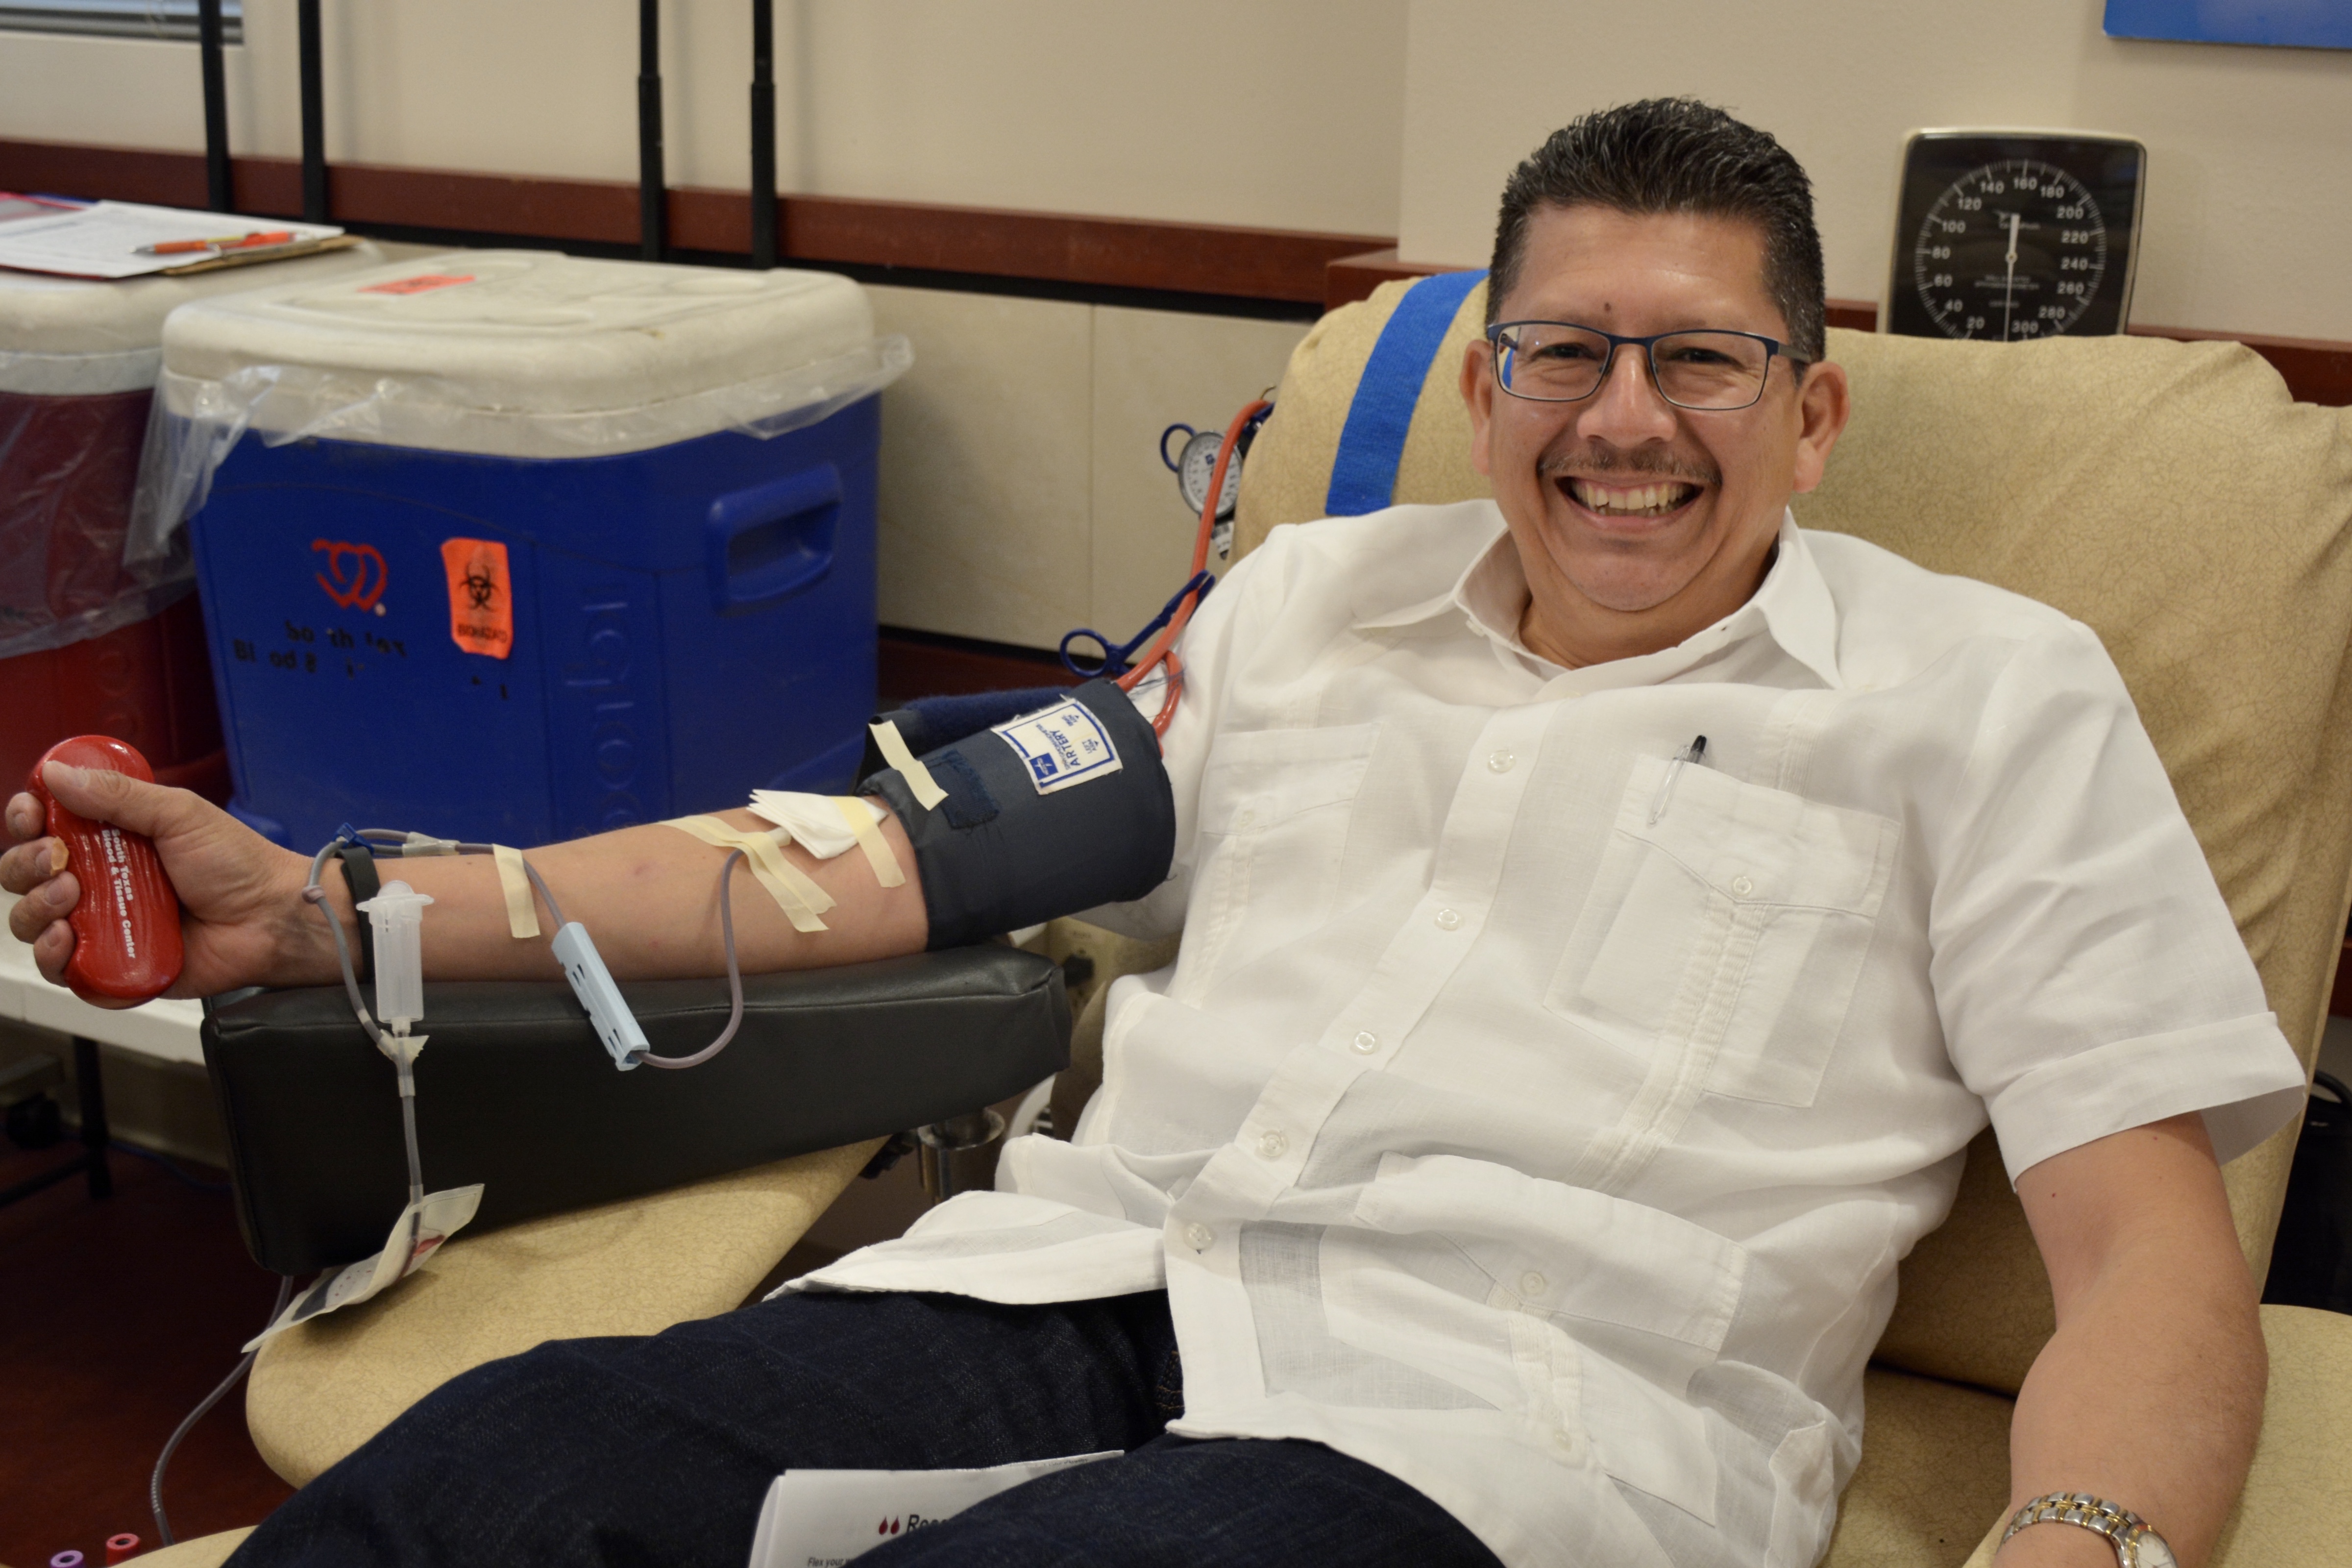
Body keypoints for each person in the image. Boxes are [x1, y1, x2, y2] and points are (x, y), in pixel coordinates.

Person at [2, 99, 2307, 1568]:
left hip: (1510, 1423)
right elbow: (872, 860)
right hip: (1086, 1284)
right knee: (502, 1473)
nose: (1625, 418)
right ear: (1486, 385)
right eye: (1560, 352)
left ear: (1811, 412)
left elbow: (2150, 1252)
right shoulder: (1310, 599)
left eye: (1699, 358)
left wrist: (2085, 1539)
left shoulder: (1987, 696)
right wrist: (326, 914)